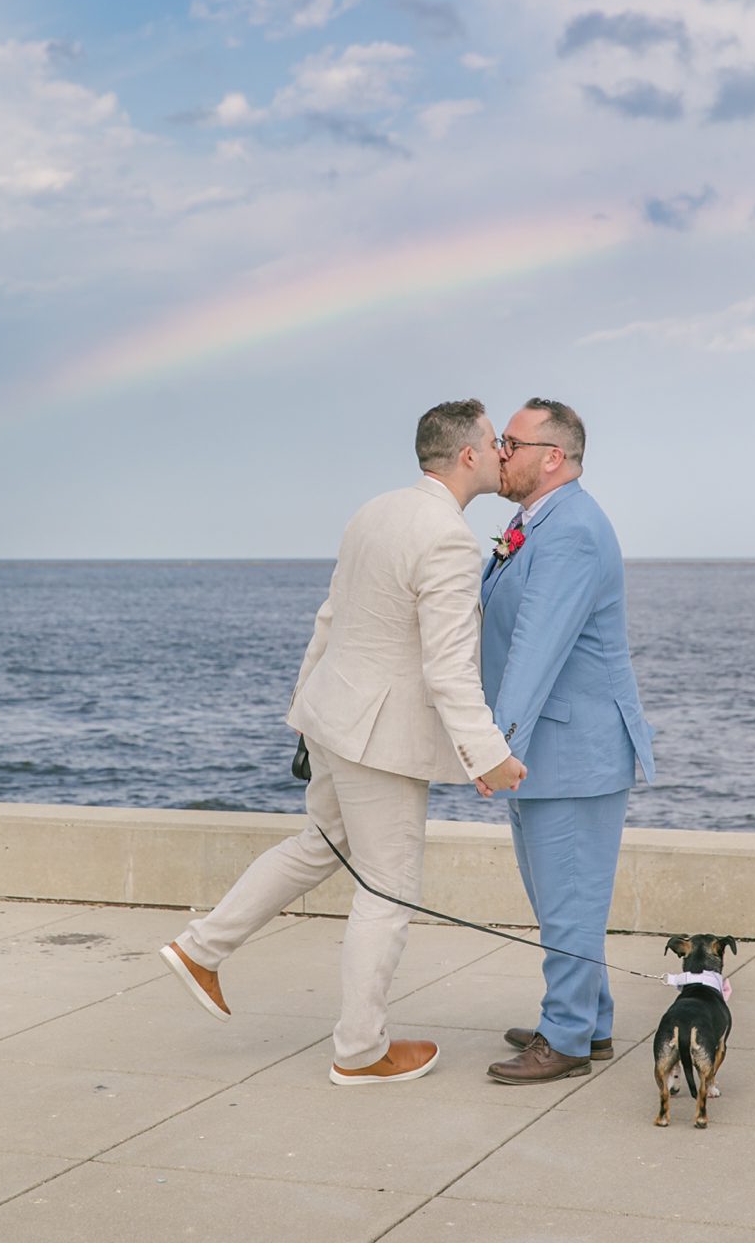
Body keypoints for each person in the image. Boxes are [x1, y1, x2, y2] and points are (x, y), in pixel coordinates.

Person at [159, 399, 527, 1085]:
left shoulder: (374, 511)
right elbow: (448, 667)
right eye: (494, 441)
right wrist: (491, 756)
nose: (503, 452)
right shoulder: (448, 539)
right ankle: (360, 1051)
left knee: (319, 844)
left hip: (333, 714)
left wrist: (303, 708)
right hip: (378, 739)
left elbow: (329, 618)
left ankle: (201, 948)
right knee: (388, 889)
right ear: (468, 454)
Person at [480, 398, 656, 1085]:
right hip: (550, 749)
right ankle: (590, 1020)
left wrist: (497, 745)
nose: (500, 453)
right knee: (562, 903)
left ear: (553, 457)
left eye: (511, 442)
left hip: (573, 750)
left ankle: (566, 1038)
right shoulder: (536, 523)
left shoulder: (573, 530)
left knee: (569, 903)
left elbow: (536, 647)